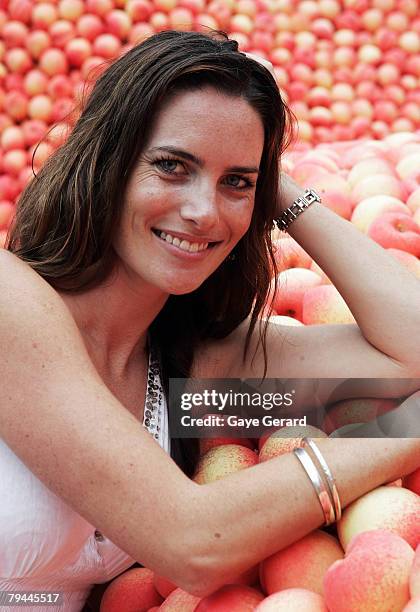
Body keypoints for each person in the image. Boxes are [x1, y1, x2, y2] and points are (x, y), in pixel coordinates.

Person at [0, 29, 419, 611]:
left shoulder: (194, 363)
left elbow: (412, 358)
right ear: (106, 163)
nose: (203, 212)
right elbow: (192, 544)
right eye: (172, 166)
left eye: (236, 183)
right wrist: (402, 436)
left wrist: (276, 186)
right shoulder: (8, 300)